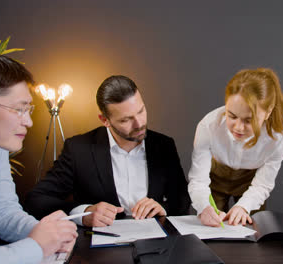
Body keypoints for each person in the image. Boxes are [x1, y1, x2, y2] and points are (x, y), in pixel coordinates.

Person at [25, 75, 190, 227]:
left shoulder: (164, 145)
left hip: (157, 246)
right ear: (105, 120)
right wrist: (84, 213)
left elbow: (182, 200)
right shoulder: (78, 149)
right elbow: (36, 200)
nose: (139, 124)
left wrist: (162, 207)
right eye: (126, 120)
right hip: (99, 251)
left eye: (141, 111)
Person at [0, 51, 78, 263]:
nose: (28, 122)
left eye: (29, 109)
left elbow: (2, 213)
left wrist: (46, 233)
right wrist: (33, 248)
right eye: (18, 110)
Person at [188, 68, 283, 227]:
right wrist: (203, 207)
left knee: (253, 230)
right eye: (232, 116)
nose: (238, 128)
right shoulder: (208, 125)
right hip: (215, 178)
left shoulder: (277, 138)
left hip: (251, 184)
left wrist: (244, 206)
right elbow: (198, 180)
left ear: (268, 112)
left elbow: (262, 185)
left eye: (249, 120)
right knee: (210, 227)